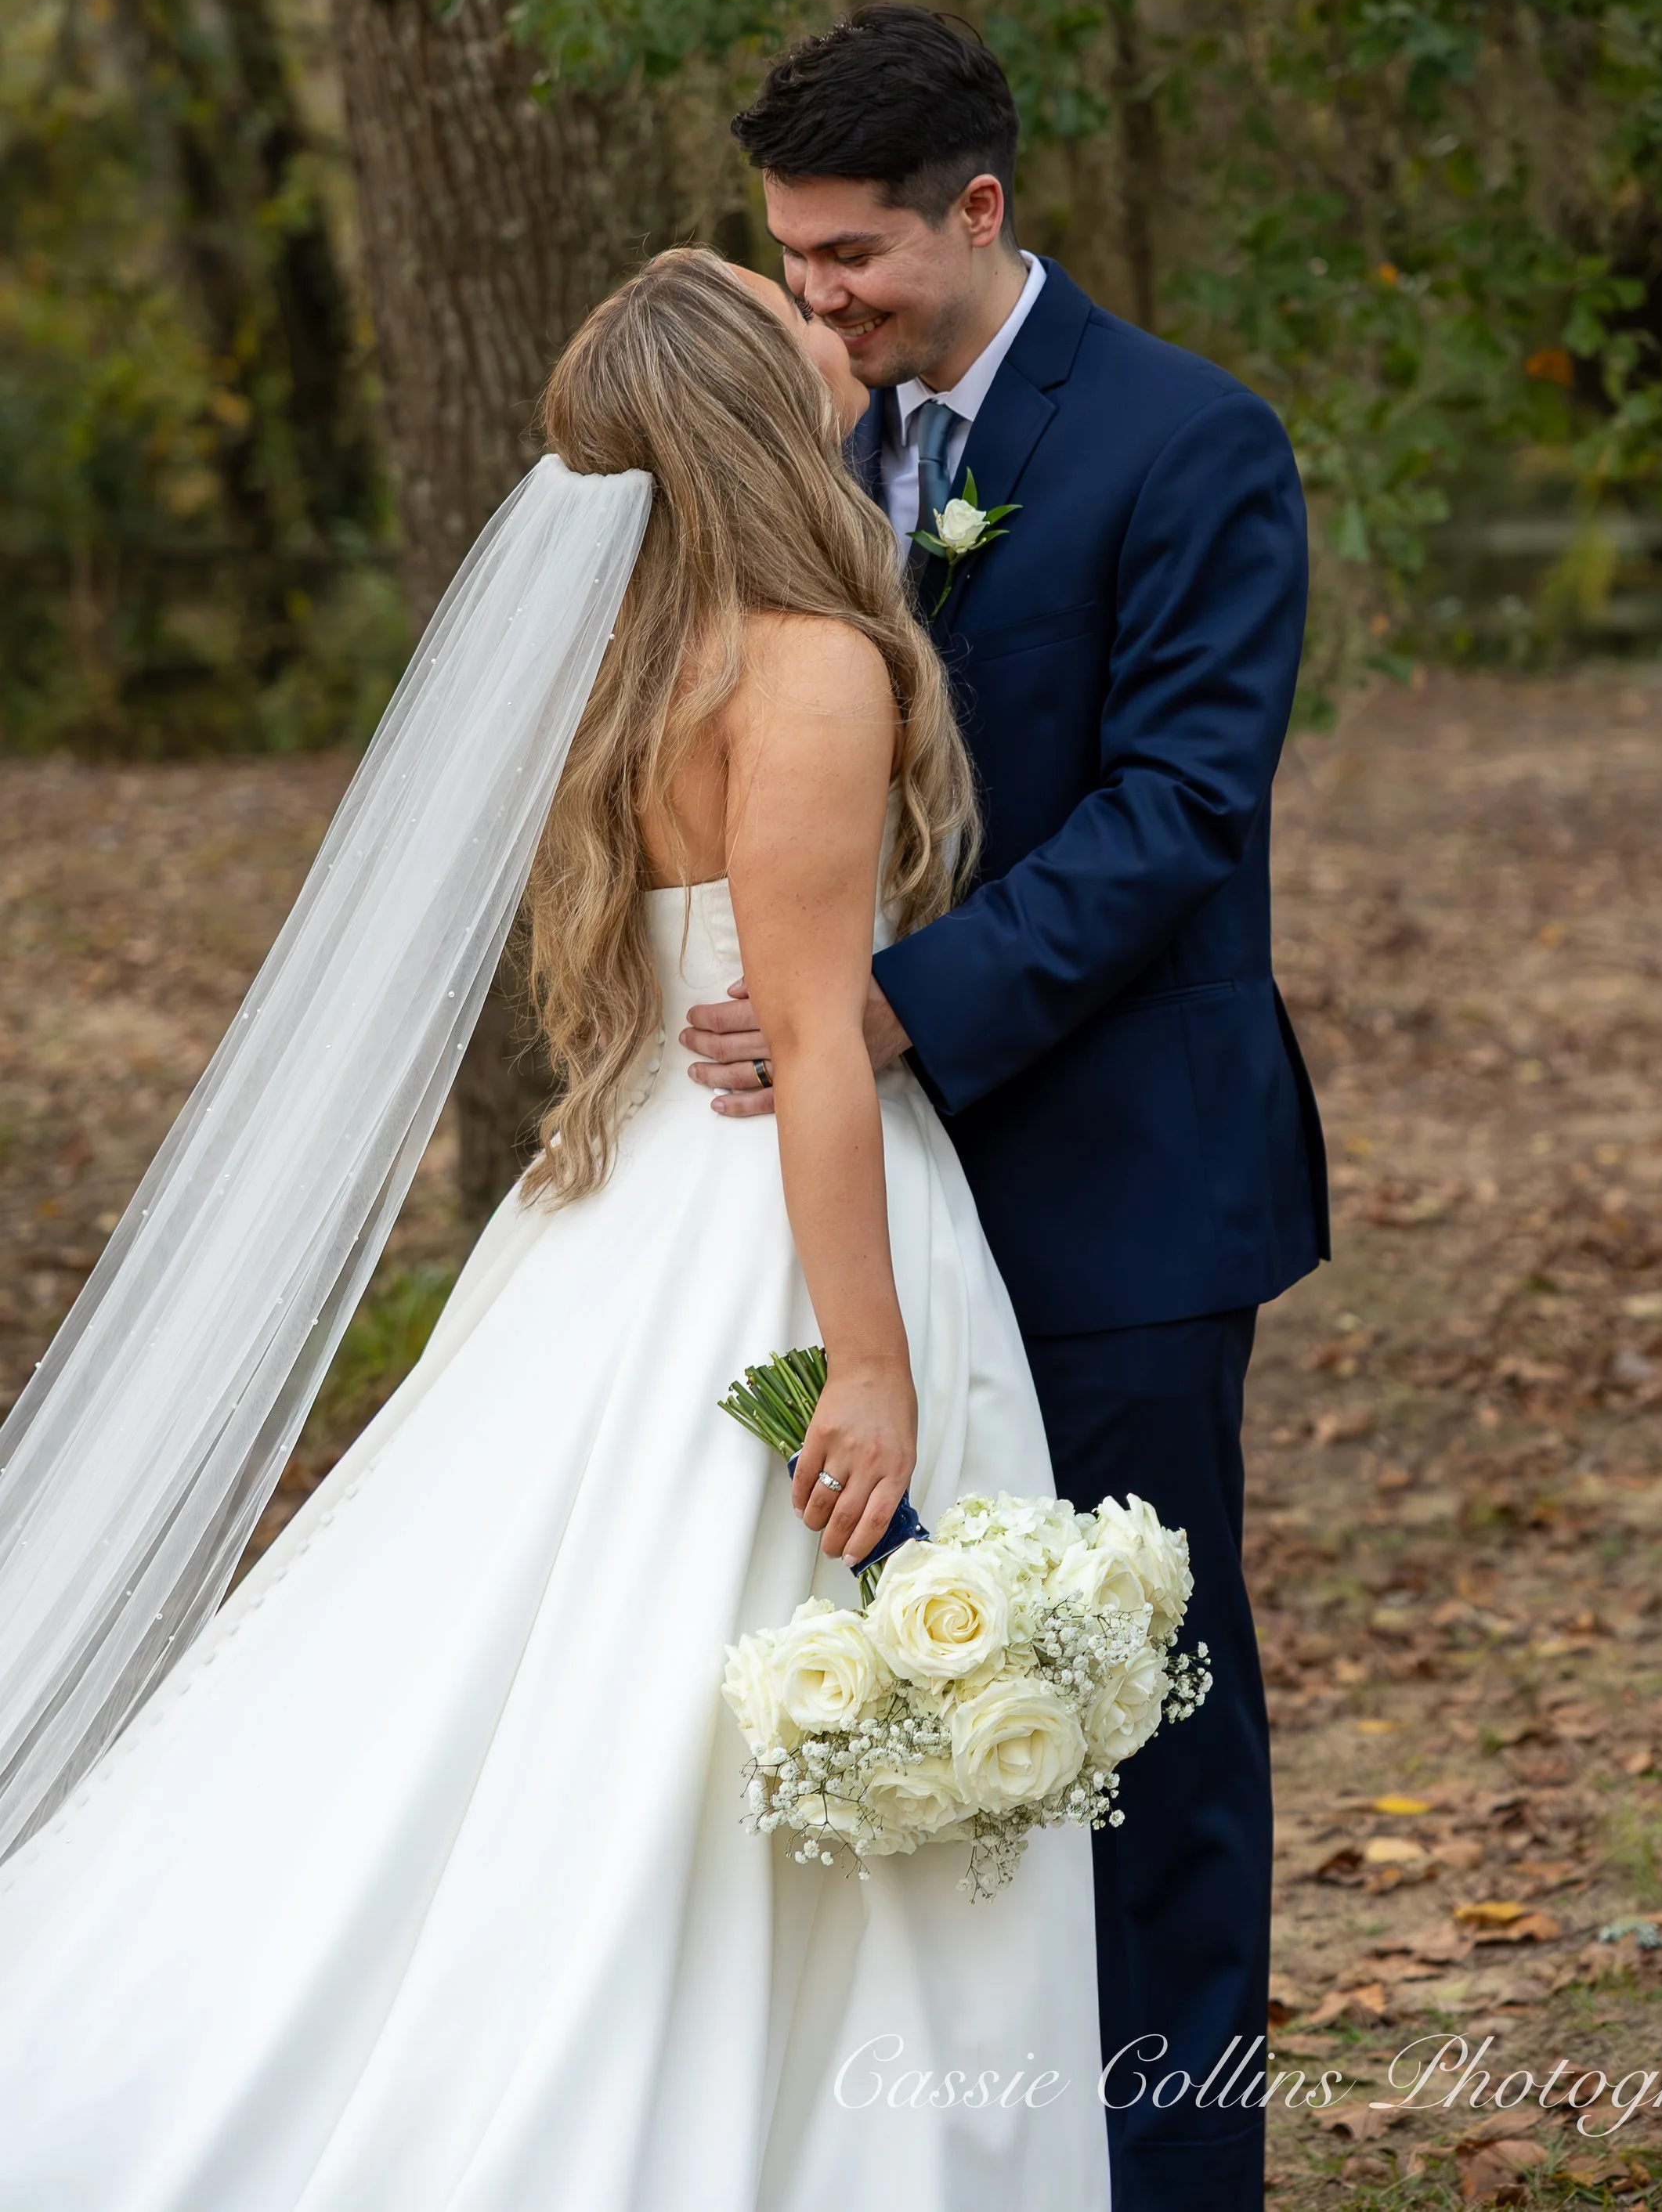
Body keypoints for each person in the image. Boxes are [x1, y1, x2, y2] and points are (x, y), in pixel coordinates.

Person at [0, 249, 1109, 2211]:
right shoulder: (811, 662)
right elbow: (812, 1053)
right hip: (769, 1225)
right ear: (746, 414)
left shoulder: (628, 663)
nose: (826, 330)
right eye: (789, 328)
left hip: (617, 1214)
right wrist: (865, 1357)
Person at [686, 5, 1329, 2212]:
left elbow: (1174, 812)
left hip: (1119, 1191)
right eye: (788, 258)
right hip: (864, 1204)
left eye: (852, 255)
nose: (817, 299)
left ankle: (1175, 2179)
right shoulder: (799, 434)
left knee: (1136, 1715)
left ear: (980, 207)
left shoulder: (1187, 442)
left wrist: (887, 1010)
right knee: (916, 1705)